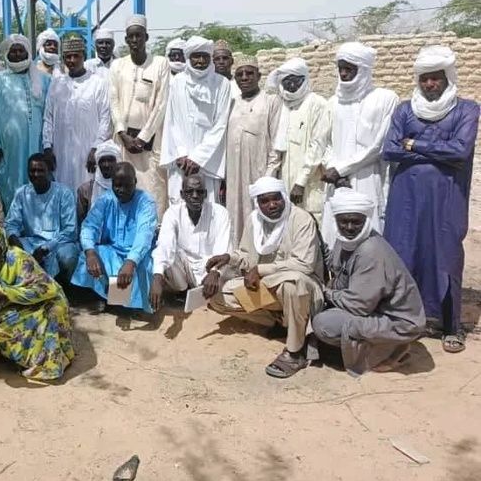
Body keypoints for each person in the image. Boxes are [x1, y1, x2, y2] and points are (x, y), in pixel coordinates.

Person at [383, 45, 480, 354]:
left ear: (447, 78)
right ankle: (406, 319)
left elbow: (460, 151)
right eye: (424, 79)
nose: (429, 85)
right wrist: (436, 148)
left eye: (435, 79)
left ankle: (450, 325)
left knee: (445, 254)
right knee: (404, 252)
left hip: (446, 198)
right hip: (406, 198)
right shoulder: (404, 109)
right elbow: (389, 149)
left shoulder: (467, 109)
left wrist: (413, 144)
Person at [206, 177, 325, 379]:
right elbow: (245, 254)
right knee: (218, 297)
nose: (272, 205)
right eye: (265, 201)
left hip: (305, 288)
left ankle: (296, 351)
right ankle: (280, 322)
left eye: (276, 199)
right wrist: (229, 258)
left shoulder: (300, 219)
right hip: (268, 286)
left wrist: (260, 269)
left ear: (283, 197)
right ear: (257, 203)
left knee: (292, 284)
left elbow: (304, 265)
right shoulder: (255, 220)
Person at [312, 189, 426, 376]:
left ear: (366, 220)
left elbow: (358, 306)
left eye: (356, 221)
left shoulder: (370, 250)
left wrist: (326, 293)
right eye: (344, 221)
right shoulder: (346, 240)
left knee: (324, 324)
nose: (349, 227)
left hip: (398, 322)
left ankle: (387, 350)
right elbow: (336, 267)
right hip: (373, 309)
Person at [0, 222, 75, 382]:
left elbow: (47, 288)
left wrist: (6, 293)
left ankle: (51, 362)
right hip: (7, 312)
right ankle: (21, 356)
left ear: (1, 242)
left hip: (40, 303)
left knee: (54, 311)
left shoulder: (18, 258)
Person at [320, 42, 398, 246]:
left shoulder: (385, 99)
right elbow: (325, 142)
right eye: (341, 69)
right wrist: (333, 170)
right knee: (333, 233)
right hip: (335, 180)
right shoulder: (333, 102)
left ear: (363, 70)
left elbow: (378, 145)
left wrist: (342, 169)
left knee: (367, 231)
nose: (344, 74)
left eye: (349, 69)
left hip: (367, 177)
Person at [71, 162, 159, 313]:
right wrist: (90, 253)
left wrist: (131, 261)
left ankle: (124, 304)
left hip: (139, 253)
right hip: (113, 251)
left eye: (127, 185)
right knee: (88, 256)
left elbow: (144, 235)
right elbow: (89, 226)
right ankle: (109, 298)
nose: (121, 190)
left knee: (146, 267)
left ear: (135, 182)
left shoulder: (146, 202)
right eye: (117, 185)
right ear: (112, 183)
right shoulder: (105, 200)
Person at [0, 34, 51, 209]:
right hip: (7, 149)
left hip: (37, 145)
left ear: (28, 53)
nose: (18, 54)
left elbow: (51, 113)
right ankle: (11, 226)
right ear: (6, 54)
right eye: (13, 51)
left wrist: (49, 145)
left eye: (21, 50)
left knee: (37, 180)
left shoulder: (44, 80)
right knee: (8, 183)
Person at [109, 14, 171, 216]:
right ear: (126, 40)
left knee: (153, 186)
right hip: (124, 141)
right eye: (131, 37)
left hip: (151, 142)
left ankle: (154, 231)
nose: (135, 40)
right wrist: (122, 133)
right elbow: (114, 100)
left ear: (146, 37)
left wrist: (143, 138)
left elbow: (161, 103)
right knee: (124, 184)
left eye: (139, 36)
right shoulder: (117, 65)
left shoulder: (160, 64)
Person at [160, 35, 231, 206]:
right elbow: (172, 121)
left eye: (204, 56)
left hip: (208, 162)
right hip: (181, 161)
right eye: (195, 56)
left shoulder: (222, 84)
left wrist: (198, 158)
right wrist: (182, 153)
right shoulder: (177, 82)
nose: (200, 61)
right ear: (188, 57)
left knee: (208, 206)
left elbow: (220, 125)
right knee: (179, 205)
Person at [149, 173, 232, 310]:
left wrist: (214, 272)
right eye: (189, 192)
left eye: (199, 192)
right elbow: (165, 246)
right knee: (170, 251)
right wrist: (157, 277)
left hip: (208, 271)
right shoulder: (173, 213)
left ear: (205, 194)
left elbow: (223, 248)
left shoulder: (220, 212)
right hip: (183, 270)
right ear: (182, 194)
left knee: (226, 286)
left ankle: (200, 292)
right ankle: (181, 292)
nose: (194, 196)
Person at [224, 54, 282, 246]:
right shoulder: (231, 103)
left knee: (261, 215)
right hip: (234, 176)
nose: (244, 78)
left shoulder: (271, 101)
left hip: (260, 173)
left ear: (259, 75)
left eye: (249, 73)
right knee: (235, 215)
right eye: (239, 74)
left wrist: (268, 177)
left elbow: (276, 143)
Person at [42, 36, 113, 191]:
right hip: (62, 153)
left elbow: (105, 119)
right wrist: (47, 146)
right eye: (68, 56)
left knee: (88, 192)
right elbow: (48, 118)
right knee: (62, 191)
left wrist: (96, 149)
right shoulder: (56, 84)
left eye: (76, 56)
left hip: (88, 152)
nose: (72, 60)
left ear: (84, 57)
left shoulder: (97, 83)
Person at [270, 57, 331, 221]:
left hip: (308, 183)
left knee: (311, 221)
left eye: (295, 81)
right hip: (285, 179)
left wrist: (301, 182)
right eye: (286, 81)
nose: (291, 86)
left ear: (304, 79)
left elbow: (317, 145)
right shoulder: (282, 106)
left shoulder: (317, 104)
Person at [5, 153, 79, 281]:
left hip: (58, 243)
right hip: (31, 243)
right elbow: (11, 224)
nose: (36, 174)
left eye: (40, 170)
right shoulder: (22, 193)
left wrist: (46, 248)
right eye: (32, 170)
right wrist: (17, 243)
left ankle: (63, 286)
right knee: (10, 254)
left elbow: (70, 231)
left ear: (49, 171)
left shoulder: (64, 193)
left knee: (67, 257)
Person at [76, 139, 121, 223]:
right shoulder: (85, 190)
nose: (106, 165)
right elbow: (81, 222)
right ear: (97, 163)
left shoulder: (126, 188)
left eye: (110, 160)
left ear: (117, 162)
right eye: (102, 161)